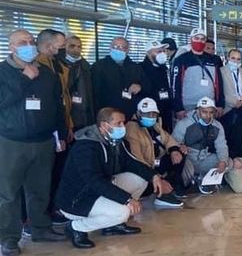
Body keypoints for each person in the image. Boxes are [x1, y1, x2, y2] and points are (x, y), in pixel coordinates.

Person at [57, 107, 171, 249]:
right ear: (105, 126)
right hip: (77, 200)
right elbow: (93, 181)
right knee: (123, 212)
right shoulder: (85, 146)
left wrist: (154, 176)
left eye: (123, 123)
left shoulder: (117, 141)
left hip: (99, 190)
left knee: (140, 179)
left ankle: (112, 226)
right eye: (119, 123)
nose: (123, 127)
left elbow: (132, 162)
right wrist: (126, 199)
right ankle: (77, 227)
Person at [0, 29, 67, 255]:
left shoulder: (47, 73)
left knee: (40, 189)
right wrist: (24, 79)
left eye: (30, 41)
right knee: (8, 194)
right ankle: (9, 238)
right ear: (11, 47)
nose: (28, 45)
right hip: (11, 142)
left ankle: (40, 228)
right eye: (22, 42)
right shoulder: (2, 72)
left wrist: (61, 134)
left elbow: (58, 106)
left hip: (43, 141)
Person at [35, 30, 73, 225]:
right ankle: (38, 216)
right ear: (50, 46)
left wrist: (68, 125)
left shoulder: (58, 65)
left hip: (60, 124)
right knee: (43, 175)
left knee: (58, 169)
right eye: (61, 45)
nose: (63, 48)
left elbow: (63, 99)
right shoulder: (35, 67)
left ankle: (55, 208)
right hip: (42, 129)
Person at [124, 98, 186, 205]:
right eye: (147, 114)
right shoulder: (131, 129)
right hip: (147, 167)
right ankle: (160, 192)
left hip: (157, 161)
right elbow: (136, 158)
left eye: (153, 114)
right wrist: (154, 176)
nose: (151, 117)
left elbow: (167, 139)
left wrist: (174, 150)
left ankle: (172, 187)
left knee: (180, 154)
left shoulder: (154, 125)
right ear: (138, 113)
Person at [172, 97, 230, 194]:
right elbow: (173, 143)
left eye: (211, 112)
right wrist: (180, 146)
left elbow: (222, 146)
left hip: (204, 159)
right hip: (188, 160)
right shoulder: (183, 123)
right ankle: (192, 181)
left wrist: (223, 161)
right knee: (180, 166)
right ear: (198, 111)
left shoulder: (217, 126)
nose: (208, 116)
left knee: (229, 162)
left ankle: (205, 179)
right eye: (204, 112)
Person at [171, 28, 225, 121]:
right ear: (190, 40)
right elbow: (175, 86)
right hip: (188, 107)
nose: (199, 41)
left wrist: (220, 104)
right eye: (196, 38)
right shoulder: (181, 60)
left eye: (202, 38)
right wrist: (178, 108)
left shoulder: (213, 60)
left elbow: (219, 83)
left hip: (209, 106)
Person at [91, 36, 148, 119]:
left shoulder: (135, 67)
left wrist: (140, 87)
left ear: (128, 50)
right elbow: (94, 93)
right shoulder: (99, 67)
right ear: (110, 48)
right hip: (108, 116)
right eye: (116, 47)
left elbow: (148, 86)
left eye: (123, 48)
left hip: (131, 115)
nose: (119, 50)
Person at [61, 35, 95, 132]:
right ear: (64, 46)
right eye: (72, 46)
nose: (76, 49)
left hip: (85, 114)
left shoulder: (85, 65)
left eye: (79, 46)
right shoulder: (59, 65)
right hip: (68, 114)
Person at [140, 40, 175, 132]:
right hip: (149, 114)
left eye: (163, 51)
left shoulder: (164, 69)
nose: (163, 54)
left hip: (165, 111)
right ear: (148, 53)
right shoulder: (140, 69)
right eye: (158, 51)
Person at [221, 49, 242, 117]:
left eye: (238, 59)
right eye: (233, 58)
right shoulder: (221, 71)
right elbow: (220, 93)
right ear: (228, 58)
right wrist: (235, 102)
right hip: (227, 108)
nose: (236, 61)